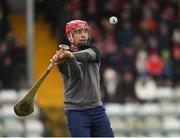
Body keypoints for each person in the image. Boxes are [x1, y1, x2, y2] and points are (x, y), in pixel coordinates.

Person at [50, 20, 114, 137]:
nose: (83, 35)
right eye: (78, 32)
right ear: (70, 36)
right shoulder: (63, 61)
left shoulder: (94, 50)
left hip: (97, 109)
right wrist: (69, 58)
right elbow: (76, 76)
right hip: (76, 112)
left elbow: (88, 55)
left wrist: (70, 55)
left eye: (85, 31)